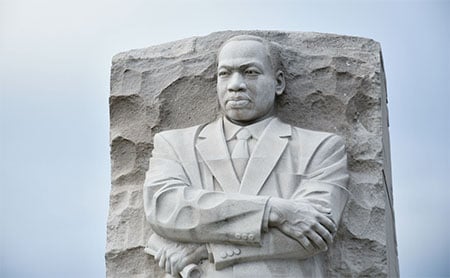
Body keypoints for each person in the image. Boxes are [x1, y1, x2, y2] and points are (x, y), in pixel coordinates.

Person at [143, 35, 349, 277]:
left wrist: (204, 248)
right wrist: (274, 211)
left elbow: (313, 234)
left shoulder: (321, 147)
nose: (235, 84)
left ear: (279, 82)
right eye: (225, 73)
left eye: (250, 72)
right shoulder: (174, 144)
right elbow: (166, 209)